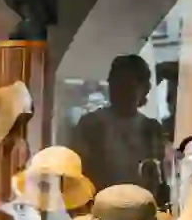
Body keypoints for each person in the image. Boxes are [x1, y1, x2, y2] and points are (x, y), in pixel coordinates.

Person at [70, 55, 165, 195]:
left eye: (128, 86)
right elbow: (77, 175)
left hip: (143, 209)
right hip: (100, 209)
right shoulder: (91, 125)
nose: (120, 92)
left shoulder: (151, 128)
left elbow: (158, 177)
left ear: (144, 89)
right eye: (116, 84)